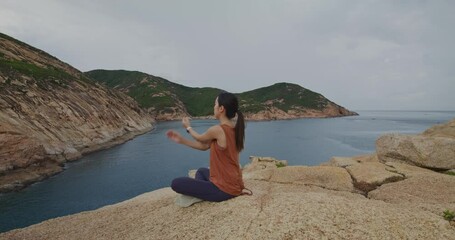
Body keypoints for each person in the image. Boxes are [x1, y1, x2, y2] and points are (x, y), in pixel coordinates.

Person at [166, 91, 250, 207]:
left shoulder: (217, 130)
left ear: (221, 109)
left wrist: (188, 127)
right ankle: (203, 191)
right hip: (232, 184)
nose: (213, 107)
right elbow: (204, 146)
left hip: (223, 190)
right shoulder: (235, 129)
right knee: (201, 171)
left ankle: (202, 194)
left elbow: (200, 138)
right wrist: (182, 141)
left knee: (176, 183)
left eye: (215, 104)